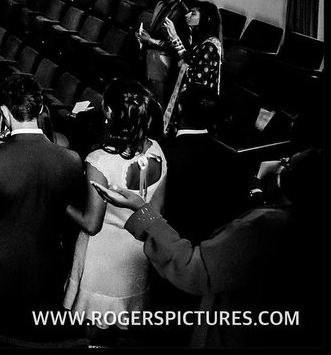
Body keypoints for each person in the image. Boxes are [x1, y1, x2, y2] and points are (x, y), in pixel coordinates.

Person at [94, 148, 323, 348]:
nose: (280, 163)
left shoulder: (266, 225)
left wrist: (142, 210)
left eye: (287, 163)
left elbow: (192, 269)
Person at [0, 74, 84, 337]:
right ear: (40, 109)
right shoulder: (71, 160)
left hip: (0, 272)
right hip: (49, 271)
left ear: (4, 111)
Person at [62, 80, 167, 329]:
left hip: (102, 256)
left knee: (92, 323)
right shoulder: (157, 150)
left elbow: (92, 224)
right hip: (136, 252)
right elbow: (156, 212)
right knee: (125, 322)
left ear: (109, 113)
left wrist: (60, 203)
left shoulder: (99, 160)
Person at [161, 85, 252, 245]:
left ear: (180, 108)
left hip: (170, 245)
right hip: (215, 247)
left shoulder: (163, 151)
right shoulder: (232, 156)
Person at [161, 0, 223, 134]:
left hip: (197, 103)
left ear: (206, 18)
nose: (187, 15)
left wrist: (184, 65)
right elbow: (189, 58)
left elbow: (198, 76)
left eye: (193, 13)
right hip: (189, 95)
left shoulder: (210, 46)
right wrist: (175, 38)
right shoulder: (202, 41)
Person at [136, 0, 187, 105]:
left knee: (157, 97)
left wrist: (151, 40)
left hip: (164, 59)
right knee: (147, 92)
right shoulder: (160, 5)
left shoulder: (181, 12)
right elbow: (154, 29)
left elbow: (176, 44)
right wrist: (145, 35)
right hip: (151, 55)